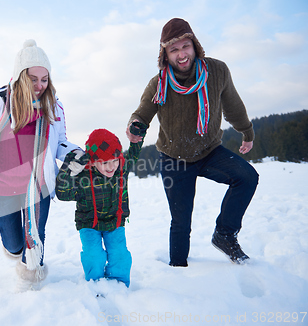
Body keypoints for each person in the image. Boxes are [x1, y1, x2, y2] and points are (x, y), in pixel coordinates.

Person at [126, 18, 259, 267]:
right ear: (165, 55)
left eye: (185, 46)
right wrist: (136, 126)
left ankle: (225, 234)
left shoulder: (217, 72)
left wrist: (247, 132)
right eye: (173, 50)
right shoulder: (159, 83)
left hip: (209, 151)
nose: (181, 54)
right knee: (181, 222)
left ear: (195, 45)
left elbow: (233, 106)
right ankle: (178, 268)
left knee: (247, 177)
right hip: (173, 157)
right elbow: (142, 113)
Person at [0, 39, 80, 289]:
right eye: (33, 79)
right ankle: (17, 250)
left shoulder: (53, 106)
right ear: (19, 76)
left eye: (44, 79)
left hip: (38, 185)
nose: (39, 86)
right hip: (2, 186)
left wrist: (80, 153)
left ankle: (33, 287)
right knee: (14, 245)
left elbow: (60, 142)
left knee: (35, 239)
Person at [56, 128, 145, 287]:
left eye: (115, 160)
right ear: (93, 161)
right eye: (105, 162)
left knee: (120, 255)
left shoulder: (121, 168)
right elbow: (62, 193)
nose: (111, 167)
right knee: (94, 256)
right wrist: (69, 168)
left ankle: (119, 284)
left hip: (114, 221)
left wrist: (137, 139)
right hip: (89, 223)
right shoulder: (83, 175)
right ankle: (95, 283)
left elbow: (133, 154)